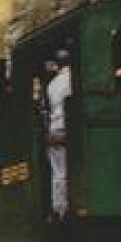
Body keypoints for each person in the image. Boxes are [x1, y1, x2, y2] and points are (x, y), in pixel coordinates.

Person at [45, 48, 72, 218]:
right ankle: (67, 207)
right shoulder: (72, 80)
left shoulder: (52, 84)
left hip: (54, 128)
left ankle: (58, 208)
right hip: (67, 127)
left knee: (58, 172)